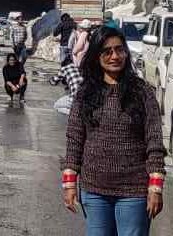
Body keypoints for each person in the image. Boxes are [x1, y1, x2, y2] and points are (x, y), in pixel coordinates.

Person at [62, 26, 165, 236]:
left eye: (120, 50)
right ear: (96, 56)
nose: (115, 56)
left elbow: (154, 141)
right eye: (107, 51)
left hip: (134, 190)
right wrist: (69, 183)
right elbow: (74, 139)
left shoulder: (142, 92)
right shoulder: (86, 94)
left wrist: (155, 187)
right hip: (94, 190)